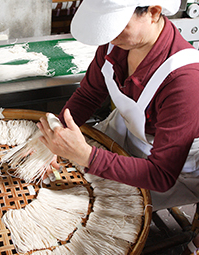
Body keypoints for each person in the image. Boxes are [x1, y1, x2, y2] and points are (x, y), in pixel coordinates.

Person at [37, 0, 199, 253]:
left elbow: (161, 175)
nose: (109, 36)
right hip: (127, 133)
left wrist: (86, 156)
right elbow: (89, 94)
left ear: (154, 12)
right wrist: (56, 135)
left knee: (79, 207)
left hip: (175, 168)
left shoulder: (184, 80)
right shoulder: (116, 44)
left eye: (117, 25)